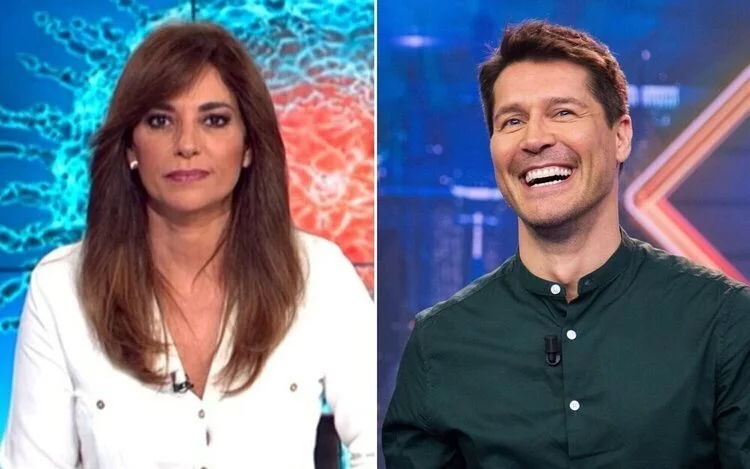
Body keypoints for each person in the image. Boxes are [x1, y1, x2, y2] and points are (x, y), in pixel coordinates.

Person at [0, 22, 375, 468]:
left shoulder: (319, 275)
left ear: (249, 145)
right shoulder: (62, 289)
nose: (187, 145)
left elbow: (381, 444)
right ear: (130, 147)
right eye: (160, 121)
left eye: (214, 120)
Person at [382, 20, 750, 468]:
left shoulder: (723, 321)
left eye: (563, 113)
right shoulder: (440, 342)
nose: (535, 139)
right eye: (512, 120)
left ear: (621, 136)